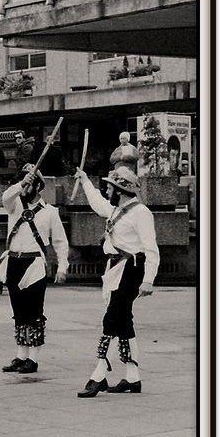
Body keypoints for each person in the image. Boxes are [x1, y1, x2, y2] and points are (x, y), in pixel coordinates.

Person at [75, 166, 159, 398]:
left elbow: (151, 249)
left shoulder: (141, 213)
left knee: (111, 317)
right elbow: (97, 202)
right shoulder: (116, 209)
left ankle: (99, 375)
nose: (107, 190)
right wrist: (83, 180)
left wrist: (148, 280)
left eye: (110, 187)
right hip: (115, 267)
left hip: (132, 268)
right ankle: (133, 377)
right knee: (123, 320)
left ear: (120, 190)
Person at [0, 165, 69, 375]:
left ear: (38, 187)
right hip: (14, 261)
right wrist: (21, 182)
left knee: (34, 311)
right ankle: (21, 355)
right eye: (24, 183)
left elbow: (60, 241)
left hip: (35, 264)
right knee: (18, 311)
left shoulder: (50, 212)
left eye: (29, 184)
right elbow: (5, 197)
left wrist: (62, 266)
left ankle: (33, 358)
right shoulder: (14, 206)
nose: (24, 188)